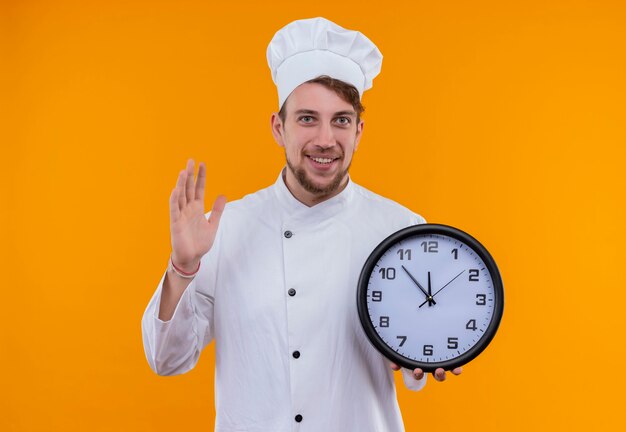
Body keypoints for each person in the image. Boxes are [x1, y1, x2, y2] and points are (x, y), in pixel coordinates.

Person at [142, 17, 462, 431]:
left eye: (341, 120)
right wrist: (182, 266)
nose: (326, 139)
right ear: (279, 128)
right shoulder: (223, 230)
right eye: (308, 118)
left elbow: (417, 351)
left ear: (359, 130)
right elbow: (167, 360)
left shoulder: (402, 230)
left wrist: (427, 352)